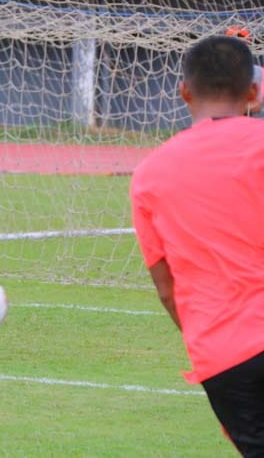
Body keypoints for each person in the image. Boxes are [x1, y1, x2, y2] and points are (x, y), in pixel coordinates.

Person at [130, 35, 264, 456]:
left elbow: (168, 290)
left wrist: (213, 358)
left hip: (225, 355)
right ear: (254, 91)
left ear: (184, 90)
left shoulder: (151, 174)